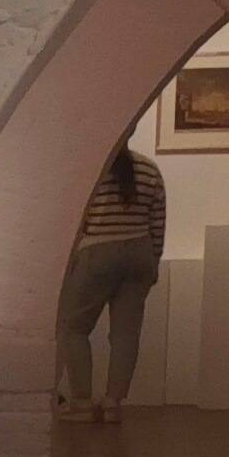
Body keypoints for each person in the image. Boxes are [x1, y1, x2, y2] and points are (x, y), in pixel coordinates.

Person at [57, 145, 166, 422]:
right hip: (140, 251)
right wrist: (154, 260)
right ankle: (113, 404)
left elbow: (76, 219)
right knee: (125, 334)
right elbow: (158, 222)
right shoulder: (149, 168)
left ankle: (82, 403)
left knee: (73, 328)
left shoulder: (92, 166)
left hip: (98, 251)